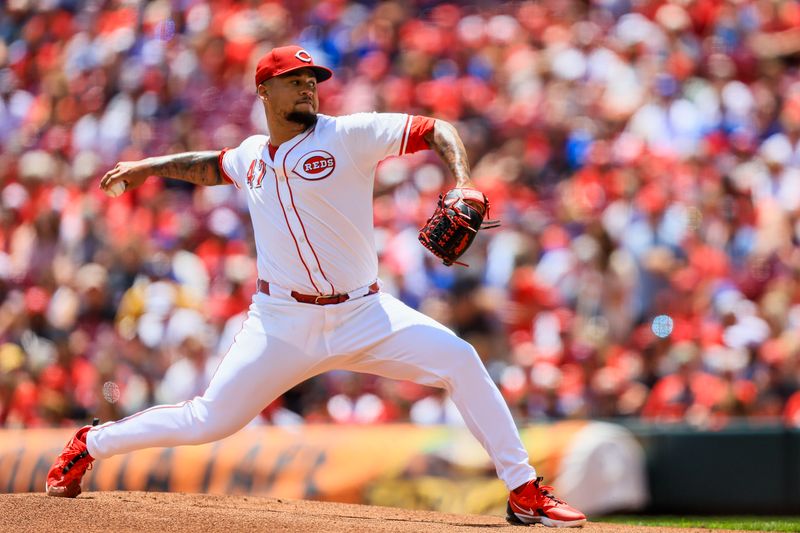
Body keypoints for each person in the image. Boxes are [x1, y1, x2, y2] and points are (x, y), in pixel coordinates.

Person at [45, 45, 586, 528]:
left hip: (364, 314)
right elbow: (210, 166)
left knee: (461, 359)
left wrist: (462, 179)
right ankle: (90, 442)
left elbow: (435, 129)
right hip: (280, 322)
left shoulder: (347, 135)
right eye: (296, 80)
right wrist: (148, 166)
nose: (309, 87)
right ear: (265, 88)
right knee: (209, 420)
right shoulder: (253, 155)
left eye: (313, 80)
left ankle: (522, 492)